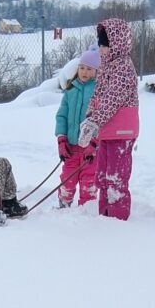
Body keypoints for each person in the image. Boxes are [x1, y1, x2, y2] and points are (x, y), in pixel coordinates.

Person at [77, 18, 140, 222]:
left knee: (116, 178)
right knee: (102, 176)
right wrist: (89, 117)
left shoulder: (124, 68)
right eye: (101, 45)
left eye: (105, 45)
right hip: (107, 131)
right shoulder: (106, 65)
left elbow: (112, 99)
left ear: (117, 44)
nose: (102, 50)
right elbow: (98, 94)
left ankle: (117, 221)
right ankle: (104, 218)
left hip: (121, 132)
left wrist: (95, 121)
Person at [54, 48, 99, 208]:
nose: (85, 72)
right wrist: (61, 139)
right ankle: (63, 205)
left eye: (90, 69)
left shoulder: (99, 91)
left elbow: (102, 120)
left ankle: (86, 210)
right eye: (82, 68)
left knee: (89, 181)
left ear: (97, 71)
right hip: (71, 147)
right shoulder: (70, 90)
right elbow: (61, 116)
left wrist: (95, 142)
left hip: (90, 149)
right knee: (67, 179)